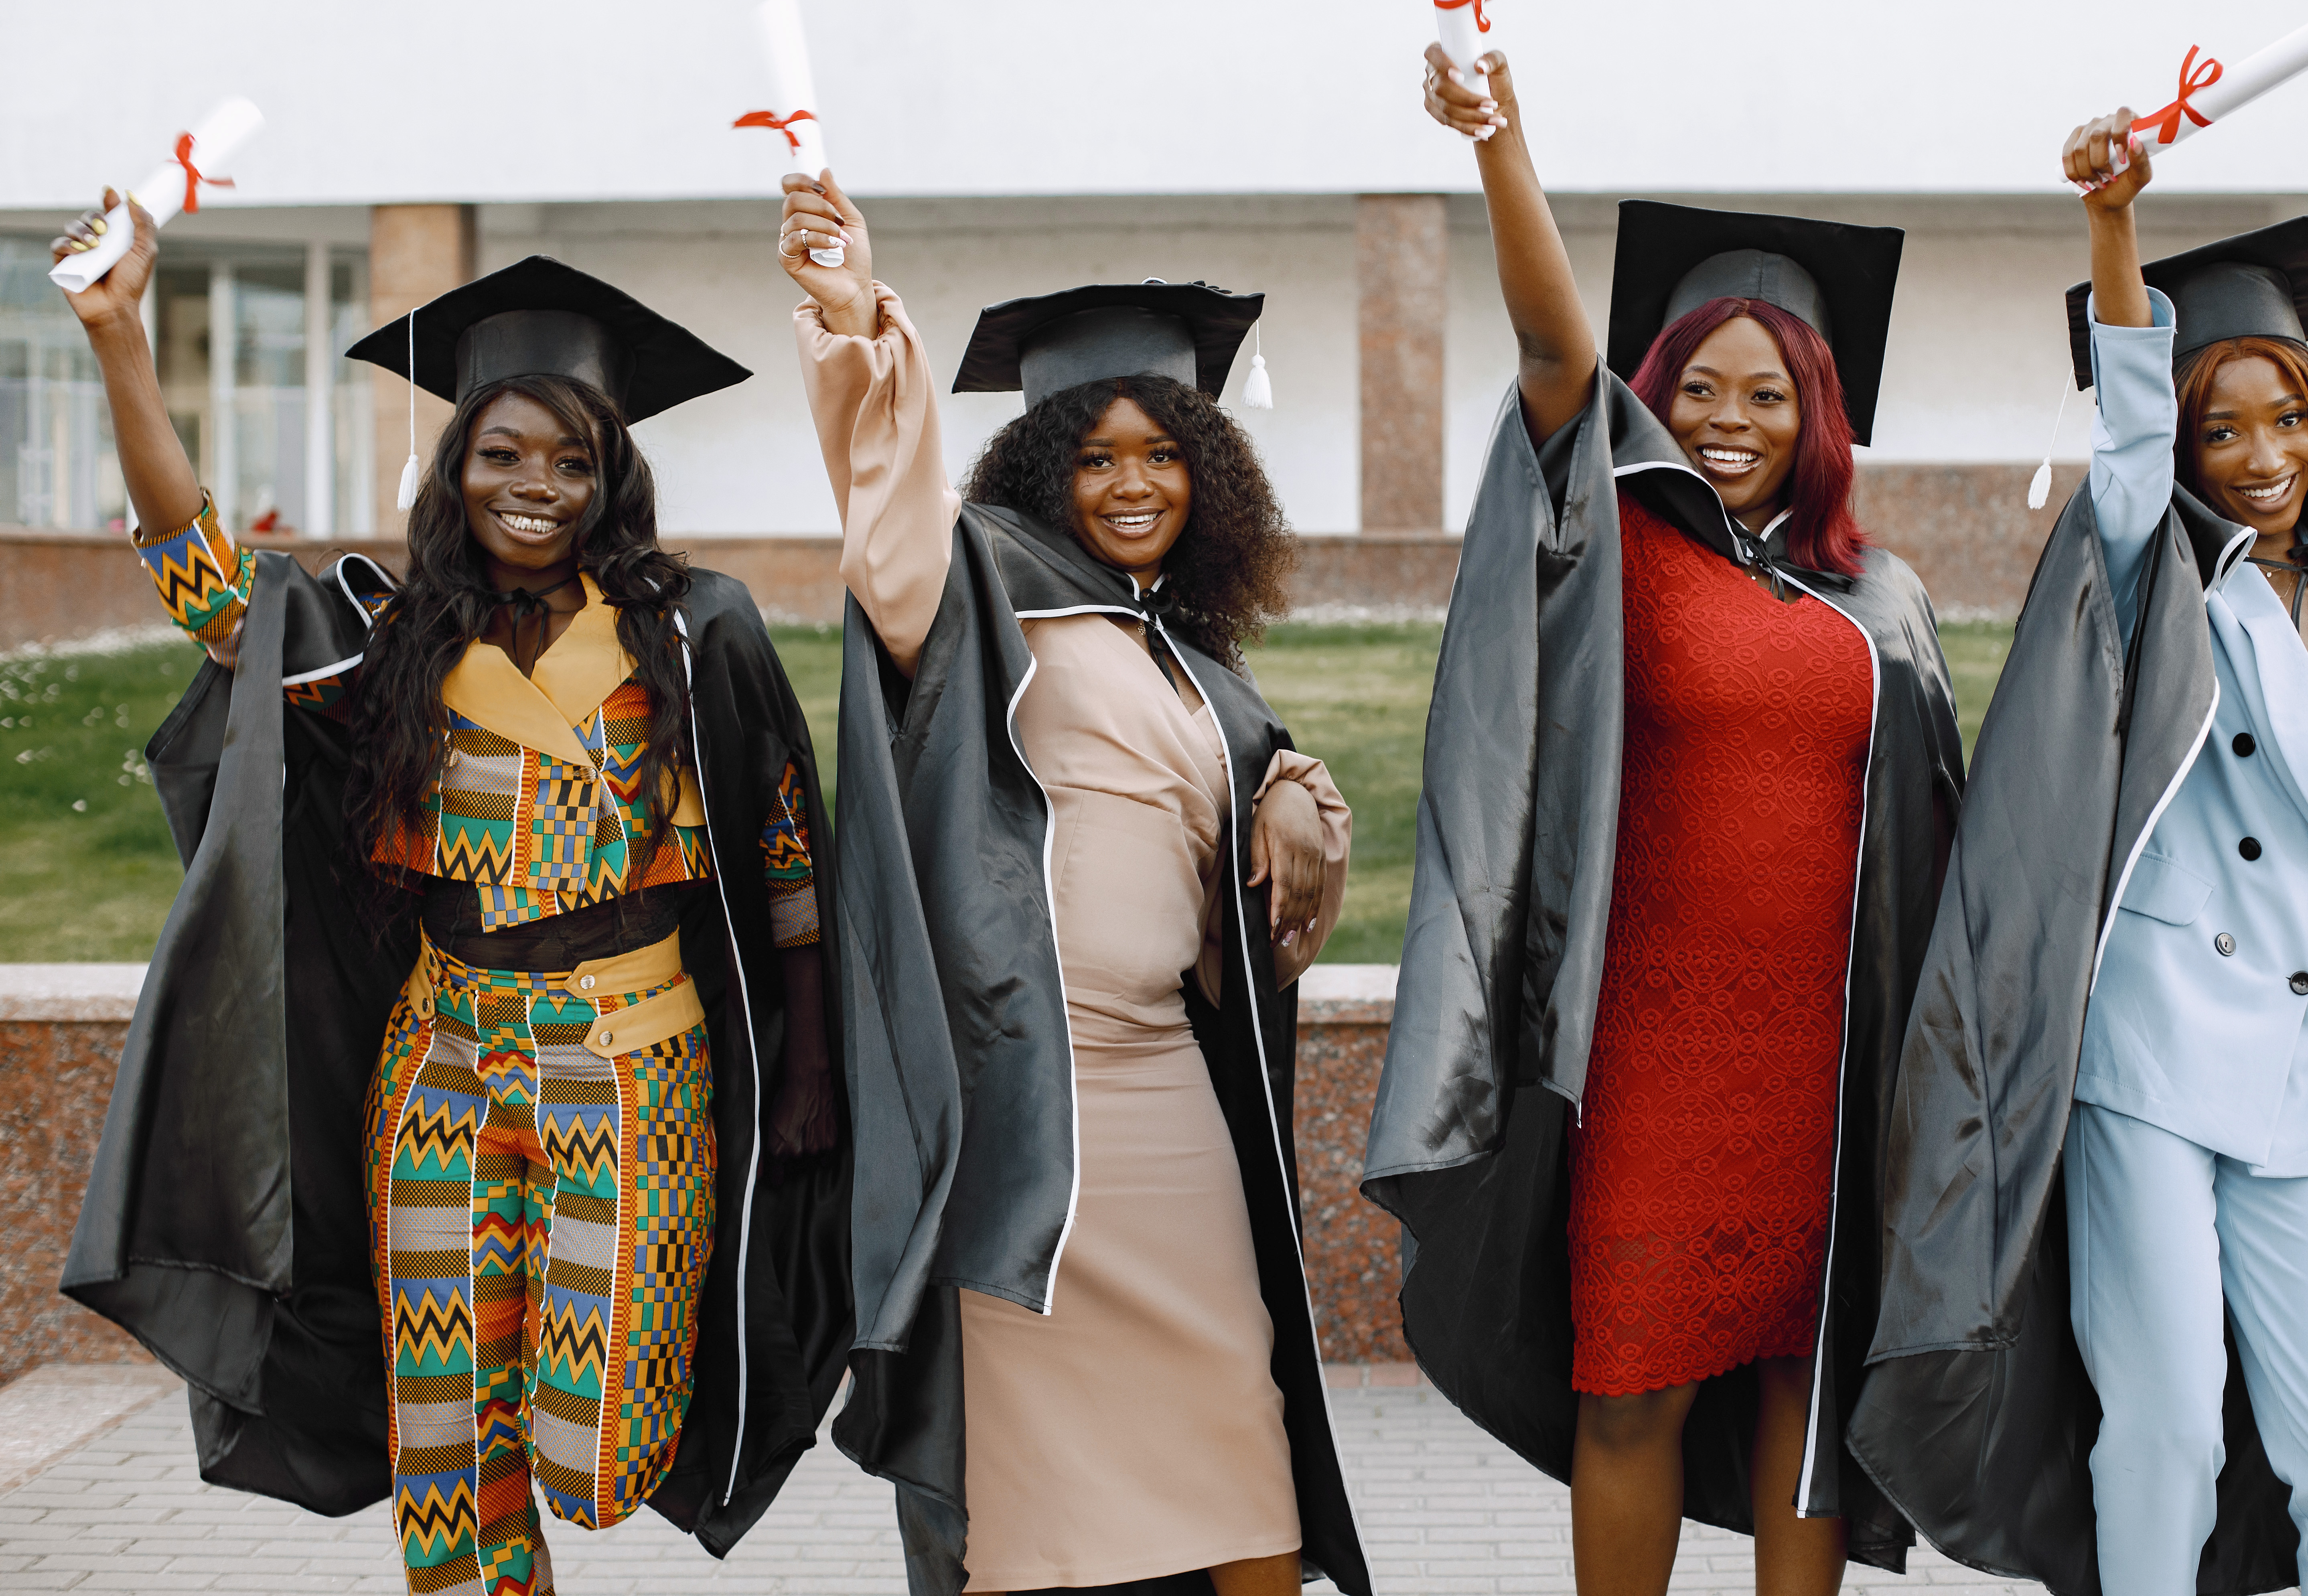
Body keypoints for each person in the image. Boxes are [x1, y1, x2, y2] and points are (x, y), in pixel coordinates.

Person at [1848, 113, 2308, 1594]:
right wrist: (2115, 227)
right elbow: (2123, 436)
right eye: (2224, 427)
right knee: (2171, 1437)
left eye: (2290, 421)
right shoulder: (2158, 580)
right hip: (2149, 1073)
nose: (2261, 457)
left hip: (2304, 1084)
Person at [54, 199, 854, 1596]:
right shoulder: (383, 636)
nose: (532, 482)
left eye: (571, 457)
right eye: (501, 452)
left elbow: (786, 868)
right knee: (446, 1457)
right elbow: (203, 582)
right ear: (456, 464)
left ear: (615, 475)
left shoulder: (695, 627)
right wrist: (120, 331)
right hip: (441, 1062)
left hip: (632, 1060)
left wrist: (809, 1071)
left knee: (588, 1453)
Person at [1359, 47, 1964, 1596]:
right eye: (1696, 387)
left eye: (1767, 394)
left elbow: (1934, 844)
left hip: (1823, 1061)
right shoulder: (1619, 538)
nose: (1727, 419)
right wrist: (1504, 146)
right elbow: (1549, 341)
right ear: (1651, 392)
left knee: (1799, 1392)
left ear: (1818, 414)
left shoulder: (1878, 599)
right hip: (1650, 1052)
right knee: (1631, 1384)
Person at [775, 172, 1371, 1596]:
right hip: (1024, 1111)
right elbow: (891, 526)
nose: (1131, 485)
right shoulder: (978, 589)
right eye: (1097, 457)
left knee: (1243, 1426)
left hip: (1166, 1095)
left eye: (1163, 456)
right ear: (1045, 467)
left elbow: (1245, 784)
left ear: (1205, 477)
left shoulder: (1191, 659)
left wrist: (1294, 786)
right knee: (1031, 1505)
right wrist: (858, 326)